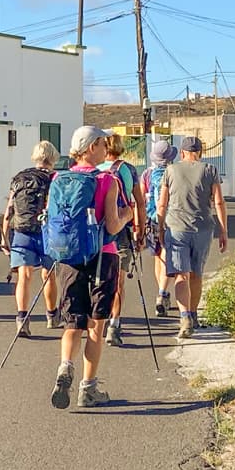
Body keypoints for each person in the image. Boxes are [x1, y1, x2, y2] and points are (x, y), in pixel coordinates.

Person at [45, 125, 132, 409]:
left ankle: (65, 366)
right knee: (96, 325)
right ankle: (88, 389)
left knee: (73, 321)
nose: (106, 148)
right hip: (102, 257)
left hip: (68, 257)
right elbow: (113, 225)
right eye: (103, 143)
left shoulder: (58, 178)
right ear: (92, 147)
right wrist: (127, 215)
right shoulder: (107, 180)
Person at [156, 135, 228, 339]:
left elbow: (162, 203)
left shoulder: (171, 170)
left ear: (182, 152)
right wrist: (223, 231)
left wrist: (160, 228)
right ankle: (194, 315)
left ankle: (185, 317)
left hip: (176, 228)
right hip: (203, 229)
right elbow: (219, 202)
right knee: (196, 274)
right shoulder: (210, 170)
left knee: (181, 275)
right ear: (200, 152)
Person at [0, 141, 60, 336]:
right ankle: (52, 315)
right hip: (46, 232)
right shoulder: (54, 178)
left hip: (21, 233)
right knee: (48, 275)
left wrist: (4, 238)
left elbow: (9, 210)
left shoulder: (20, 178)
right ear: (53, 157)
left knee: (24, 276)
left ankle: (22, 318)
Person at [98, 135, 144, 347]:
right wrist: (140, 231)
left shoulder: (94, 169)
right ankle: (114, 325)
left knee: (96, 277)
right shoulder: (128, 170)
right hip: (121, 230)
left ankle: (97, 320)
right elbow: (139, 202)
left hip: (97, 231)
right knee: (119, 280)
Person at [142, 139, 177, 317]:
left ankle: (162, 291)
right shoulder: (174, 172)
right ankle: (162, 293)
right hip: (171, 220)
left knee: (157, 256)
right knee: (166, 255)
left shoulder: (147, 174)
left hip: (152, 220)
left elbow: (141, 199)